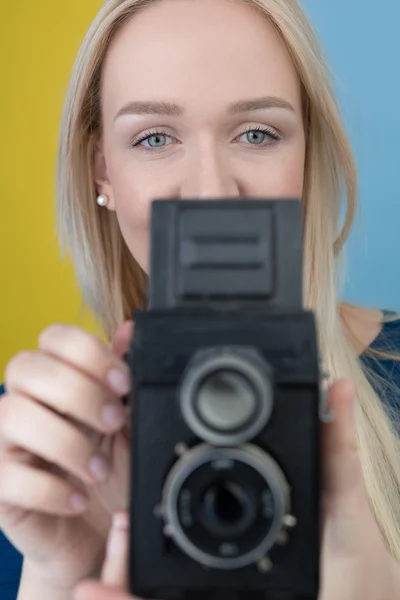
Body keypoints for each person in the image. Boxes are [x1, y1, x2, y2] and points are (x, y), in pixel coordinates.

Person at [0, 0, 400, 598]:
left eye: (258, 133)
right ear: (101, 171)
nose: (212, 191)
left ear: (307, 154)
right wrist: (60, 571)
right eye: (155, 137)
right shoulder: (36, 450)